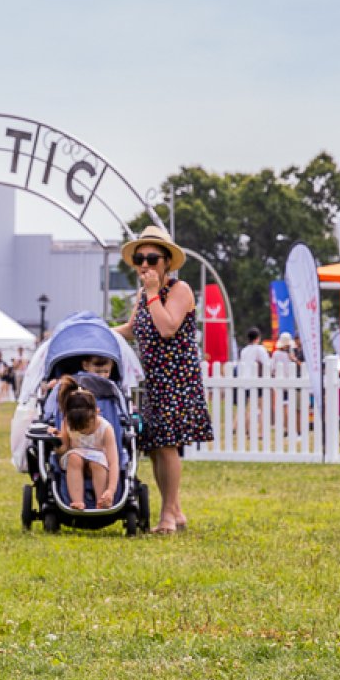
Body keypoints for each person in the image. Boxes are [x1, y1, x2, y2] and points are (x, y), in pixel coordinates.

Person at [112, 225, 212, 533]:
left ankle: (168, 514)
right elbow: (133, 328)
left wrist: (154, 293)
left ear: (166, 261)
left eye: (152, 258)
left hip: (176, 380)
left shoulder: (179, 291)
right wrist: (93, 331)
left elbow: (167, 327)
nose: (145, 264)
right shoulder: (144, 294)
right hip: (153, 381)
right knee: (155, 446)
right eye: (140, 259)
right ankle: (175, 511)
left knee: (168, 446)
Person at [55, 376, 121, 507]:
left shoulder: (105, 429)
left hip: (98, 463)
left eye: (85, 427)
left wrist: (111, 490)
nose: (82, 431)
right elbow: (64, 449)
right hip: (76, 461)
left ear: (96, 413)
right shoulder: (67, 423)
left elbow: (113, 462)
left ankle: (102, 500)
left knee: (96, 462)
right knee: (74, 457)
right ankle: (77, 501)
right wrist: (57, 440)